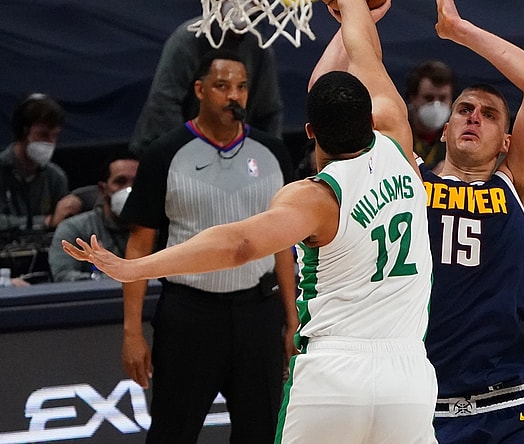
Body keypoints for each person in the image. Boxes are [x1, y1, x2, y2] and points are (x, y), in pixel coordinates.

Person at [64, 1, 438, 442]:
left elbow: (238, 245)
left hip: (336, 370)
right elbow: (365, 56)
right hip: (410, 372)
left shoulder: (314, 198)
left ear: (310, 131)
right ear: (372, 117)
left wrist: (135, 268)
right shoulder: (399, 143)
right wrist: (357, 8)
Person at [109, 49, 296, 443]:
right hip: (190, 316)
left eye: (242, 87)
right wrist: (131, 332)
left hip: (258, 314)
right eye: (222, 86)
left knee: (262, 432)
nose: (234, 96)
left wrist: (292, 320)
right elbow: (140, 246)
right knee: (173, 433)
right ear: (199, 90)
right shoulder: (165, 153)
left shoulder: (273, 153)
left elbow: (284, 245)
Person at [421, 0, 524, 442]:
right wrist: (356, 19)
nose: (474, 117)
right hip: (420, 407)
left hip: (503, 410)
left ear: (506, 142)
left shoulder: (518, 188)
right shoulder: (407, 181)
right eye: (463, 110)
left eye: (489, 114)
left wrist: (458, 30)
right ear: (444, 129)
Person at [129, 4, 284, 156]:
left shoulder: (260, 48)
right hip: (167, 148)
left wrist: (271, 156)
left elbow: (269, 113)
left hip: (229, 152)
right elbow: (164, 102)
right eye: (222, 86)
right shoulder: (188, 38)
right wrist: (191, 151)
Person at [48, 151, 139, 282]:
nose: (129, 189)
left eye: (136, 183)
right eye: (120, 182)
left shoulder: (157, 226)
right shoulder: (74, 228)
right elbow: (63, 276)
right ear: (103, 189)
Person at [0, 93, 77, 231]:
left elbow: (62, 223)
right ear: (23, 131)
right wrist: (46, 221)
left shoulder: (56, 176)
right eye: (43, 134)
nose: (50, 143)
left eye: (55, 136)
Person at [406, 59, 456, 173]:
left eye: (443, 98)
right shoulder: (396, 129)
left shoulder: (457, 134)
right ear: (412, 98)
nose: (436, 105)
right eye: (429, 98)